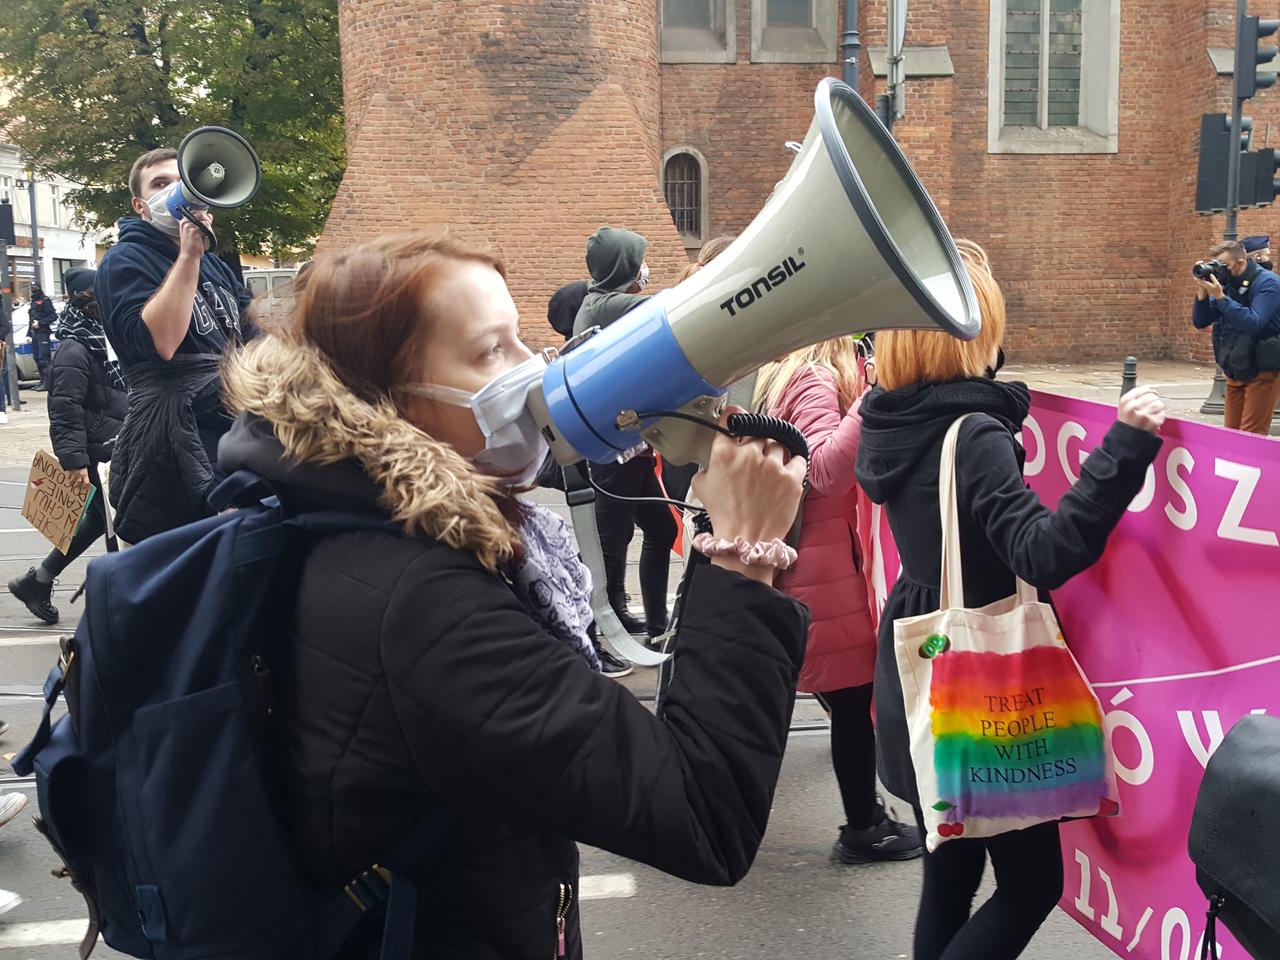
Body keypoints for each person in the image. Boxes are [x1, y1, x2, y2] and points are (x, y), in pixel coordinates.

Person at [216, 230, 809, 958]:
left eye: (522, 338)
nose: (533, 372)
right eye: (490, 351)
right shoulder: (425, 607)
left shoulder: (341, 514)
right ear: (388, 397)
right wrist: (742, 556)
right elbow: (702, 812)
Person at [855, 243, 1165, 960]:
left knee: (950, 876)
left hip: (921, 664)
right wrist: (1124, 450)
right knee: (1032, 886)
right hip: (984, 678)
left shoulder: (891, 420)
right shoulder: (975, 433)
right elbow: (1045, 551)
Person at [755, 337, 924, 865]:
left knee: (837, 695)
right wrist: (871, 396)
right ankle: (863, 827)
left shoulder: (789, 372)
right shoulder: (815, 380)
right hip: (822, 571)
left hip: (817, 563)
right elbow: (823, 468)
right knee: (854, 702)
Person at [95, 147, 253, 543]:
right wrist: (188, 258)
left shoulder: (218, 267)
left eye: (180, 182)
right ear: (141, 205)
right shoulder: (122, 261)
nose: (173, 191)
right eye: (160, 184)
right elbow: (161, 343)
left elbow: (256, 338)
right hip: (169, 442)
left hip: (229, 426)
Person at [572, 227, 677, 642]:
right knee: (607, 547)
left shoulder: (600, 302)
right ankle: (592, 635)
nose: (643, 270)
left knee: (658, 528)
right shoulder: (605, 304)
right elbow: (669, 307)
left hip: (626, 447)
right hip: (610, 450)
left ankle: (627, 612)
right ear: (622, 266)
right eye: (637, 261)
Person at [9, 269, 126, 624]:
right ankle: (117, 603)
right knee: (113, 522)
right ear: (82, 300)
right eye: (96, 296)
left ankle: (38, 580)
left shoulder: (100, 337)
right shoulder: (75, 347)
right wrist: (74, 460)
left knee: (99, 521)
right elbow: (63, 407)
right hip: (97, 447)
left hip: (114, 439)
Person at [1192, 239, 1280, 435]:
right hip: (1234, 367)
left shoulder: (1268, 283)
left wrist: (1221, 298)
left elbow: (1253, 322)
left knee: (1251, 435)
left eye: (1223, 266)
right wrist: (1202, 293)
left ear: (1240, 263)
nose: (1219, 271)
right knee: (1230, 435)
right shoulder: (1226, 283)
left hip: (1261, 369)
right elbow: (1200, 321)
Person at [28, 283, 56, 391]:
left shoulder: (45, 301)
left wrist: (40, 323)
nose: (33, 292)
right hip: (35, 334)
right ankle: (42, 381)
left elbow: (53, 316)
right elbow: (31, 319)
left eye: (35, 289)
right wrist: (29, 333)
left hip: (43, 333)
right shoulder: (33, 302)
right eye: (32, 289)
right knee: (37, 358)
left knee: (44, 359)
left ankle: (48, 383)